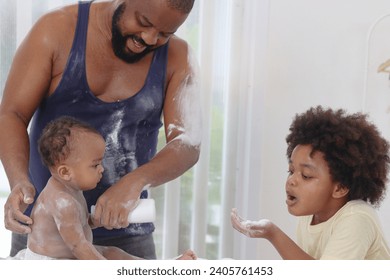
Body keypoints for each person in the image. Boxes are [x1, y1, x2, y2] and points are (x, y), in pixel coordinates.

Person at [0, 0, 201, 259]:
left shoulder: (178, 58)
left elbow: (188, 143)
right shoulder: (56, 30)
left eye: (165, 33)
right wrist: (19, 182)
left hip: (128, 232)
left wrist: (135, 182)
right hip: (45, 233)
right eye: (143, 22)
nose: (150, 38)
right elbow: (11, 114)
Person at [22, 116, 196, 260]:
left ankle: (163, 269)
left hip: (68, 256)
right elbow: (78, 246)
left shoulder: (69, 188)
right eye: (95, 164)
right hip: (51, 265)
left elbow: (78, 223)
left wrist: (93, 220)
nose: (102, 169)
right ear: (66, 171)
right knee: (106, 259)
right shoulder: (62, 201)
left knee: (113, 252)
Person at [231, 106, 390, 259]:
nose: (292, 180)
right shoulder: (309, 216)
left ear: (340, 187)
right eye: (291, 171)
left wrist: (273, 234)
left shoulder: (357, 218)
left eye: (306, 175)